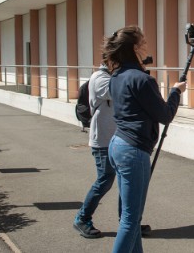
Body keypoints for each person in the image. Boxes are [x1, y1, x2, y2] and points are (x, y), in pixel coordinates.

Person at [106, 26, 186, 253]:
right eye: (144, 42)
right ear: (134, 48)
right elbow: (164, 115)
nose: (147, 46)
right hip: (133, 151)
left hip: (118, 145)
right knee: (131, 220)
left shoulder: (117, 75)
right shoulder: (142, 79)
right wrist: (176, 92)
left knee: (130, 217)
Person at [73, 62, 115, 238]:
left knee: (126, 181)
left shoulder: (114, 76)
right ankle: (82, 218)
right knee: (104, 180)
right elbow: (118, 91)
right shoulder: (99, 78)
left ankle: (130, 221)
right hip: (103, 141)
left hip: (118, 139)